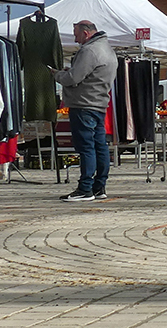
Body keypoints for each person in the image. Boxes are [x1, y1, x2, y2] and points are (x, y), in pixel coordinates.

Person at [51, 20, 117, 202]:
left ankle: (85, 189)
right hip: (99, 104)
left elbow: (73, 78)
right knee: (100, 146)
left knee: (86, 147)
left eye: (76, 34)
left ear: (86, 33)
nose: (75, 38)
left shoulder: (89, 51)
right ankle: (99, 186)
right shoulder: (108, 50)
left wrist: (57, 74)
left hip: (83, 105)